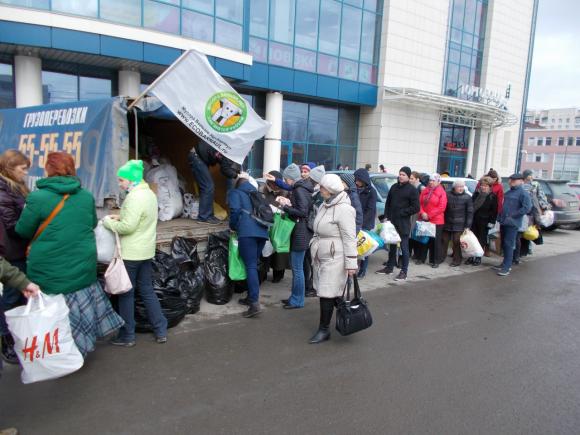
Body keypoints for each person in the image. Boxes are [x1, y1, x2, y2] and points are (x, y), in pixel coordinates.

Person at [16, 152, 124, 356]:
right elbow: (92, 223)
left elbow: (23, 230)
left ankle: (56, 350)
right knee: (78, 312)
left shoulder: (37, 197)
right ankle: (80, 345)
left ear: (48, 169)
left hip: (50, 268)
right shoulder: (85, 196)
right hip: (82, 264)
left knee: (54, 315)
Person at [103, 159, 167, 346]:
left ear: (131, 180)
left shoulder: (133, 197)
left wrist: (109, 222)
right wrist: (121, 215)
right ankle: (160, 329)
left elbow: (127, 227)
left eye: (122, 180)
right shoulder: (148, 194)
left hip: (131, 254)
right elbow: (141, 217)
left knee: (126, 293)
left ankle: (127, 335)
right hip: (146, 251)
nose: (120, 184)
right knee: (147, 290)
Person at [308, 174, 357, 344]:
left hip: (336, 256)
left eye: (322, 188)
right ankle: (347, 316)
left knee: (326, 293)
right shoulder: (324, 204)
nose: (319, 190)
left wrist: (351, 264)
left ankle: (324, 330)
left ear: (330, 190)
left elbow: (350, 237)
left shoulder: (345, 209)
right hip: (322, 253)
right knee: (331, 292)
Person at [0, 150, 30, 364]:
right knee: (11, 297)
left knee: (20, 296)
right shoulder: (3, 191)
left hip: (20, 249)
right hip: (11, 251)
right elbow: (11, 226)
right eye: (23, 169)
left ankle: (18, 338)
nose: (26, 173)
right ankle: (7, 340)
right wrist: (31, 226)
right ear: (10, 168)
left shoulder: (15, 187)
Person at [227, 173, 269, 318]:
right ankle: (251, 297)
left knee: (250, 265)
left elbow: (235, 211)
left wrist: (233, 226)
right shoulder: (258, 193)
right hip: (262, 232)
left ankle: (254, 304)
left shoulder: (236, 193)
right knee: (253, 265)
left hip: (247, 232)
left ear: (237, 183)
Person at [278, 163, 314, 309]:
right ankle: (294, 297)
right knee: (297, 268)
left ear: (291, 178)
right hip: (302, 232)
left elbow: (303, 212)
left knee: (297, 269)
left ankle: (297, 300)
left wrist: (285, 207)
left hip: (301, 233)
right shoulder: (302, 187)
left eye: (286, 179)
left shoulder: (299, 190)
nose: (285, 182)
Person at [376, 167, 419, 281]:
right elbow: (388, 203)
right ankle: (389, 268)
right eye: (400, 174)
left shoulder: (412, 190)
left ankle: (404, 271)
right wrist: (386, 216)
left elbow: (416, 208)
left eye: (403, 174)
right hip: (392, 223)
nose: (400, 176)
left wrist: (402, 212)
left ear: (408, 177)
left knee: (404, 248)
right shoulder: (394, 187)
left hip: (403, 223)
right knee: (392, 246)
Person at [0, 257, 40, 376]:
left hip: (15, 255)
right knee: (10, 301)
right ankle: (8, 339)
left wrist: (23, 283)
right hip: (13, 253)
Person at [187, 140, 241, 224]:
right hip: (197, 157)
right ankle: (204, 217)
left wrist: (236, 173)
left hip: (199, 157)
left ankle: (208, 216)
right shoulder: (231, 149)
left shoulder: (231, 146)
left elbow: (226, 165)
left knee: (207, 187)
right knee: (208, 186)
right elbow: (225, 169)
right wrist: (237, 176)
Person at [493, 173, 532, 277]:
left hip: (513, 223)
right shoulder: (509, 192)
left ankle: (507, 267)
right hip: (504, 221)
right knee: (504, 244)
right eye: (510, 180)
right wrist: (500, 217)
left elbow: (527, 208)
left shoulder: (523, 193)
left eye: (514, 180)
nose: (511, 182)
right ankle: (504, 263)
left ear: (521, 181)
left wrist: (513, 215)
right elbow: (503, 206)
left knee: (509, 244)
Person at [260, 170, 289, 283]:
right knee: (265, 249)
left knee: (279, 251)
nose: (275, 186)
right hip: (265, 223)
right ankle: (263, 272)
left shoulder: (285, 192)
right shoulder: (262, 190)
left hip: (280, 224)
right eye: (273, 184)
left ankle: (278, 273)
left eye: (277, 184)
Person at [304, 165, 326, 298]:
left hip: (316, 232)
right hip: (312, 231)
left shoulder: (320, 195)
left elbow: (317, 214)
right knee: (310, 260)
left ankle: (314, 287)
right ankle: (311, 285)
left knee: (314, 261)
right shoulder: (315, 193)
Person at [518, 169, 550, 258]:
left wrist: (545, 207)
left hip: (532, 211)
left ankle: (526, 249)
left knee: (529, 230)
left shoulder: (535, 185)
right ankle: (523, 250)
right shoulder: (520, 184)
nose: (530, 177)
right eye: (529, 175)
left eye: (531, 175)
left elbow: (541, 196)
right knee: (522, 231)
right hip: (522, 211)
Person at [441, 180, 473, 267]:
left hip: (460, 224)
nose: (461, 188)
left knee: (456, 241)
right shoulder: (447, 194)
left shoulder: (467, 197)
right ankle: (441, 257)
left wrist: (468, 226)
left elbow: (470, 212)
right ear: (454, 187)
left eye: (462, 187)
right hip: (447, 222)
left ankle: (457, 260)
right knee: (444, 240)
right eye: (459, 186)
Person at [418, 173, 447, 268]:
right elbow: (419, 203)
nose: (431, 182)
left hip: (436, 221)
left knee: (435, 242)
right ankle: (421, 258)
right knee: (424, 239)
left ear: (438, 181)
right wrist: (422, 213)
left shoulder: (442, 192)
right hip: (424, 218)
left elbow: (441, 207)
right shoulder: (425, 190)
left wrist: (429, 215)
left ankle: (435, 260)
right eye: (430, 180)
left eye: (433, 180)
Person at [468, 176, 498, 266]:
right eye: (482, 185)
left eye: (485, 186)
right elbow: (471, 206)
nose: (483, 187)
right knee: (472, 239)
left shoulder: (492, 196)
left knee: (481, 240)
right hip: (474, 220)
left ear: (489, 187)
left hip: (484, 222)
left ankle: (478, 257)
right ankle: (471, 256)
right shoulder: (476, 194)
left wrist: (492, 222)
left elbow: (494, 211)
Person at [354, 168, 377, 278]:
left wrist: (361, 222)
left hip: (365, 223)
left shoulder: (371, 191)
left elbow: (370, 209)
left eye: (358, 180)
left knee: (364, 246)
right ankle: (355, 267)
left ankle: (363, 269)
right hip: (355, 222)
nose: (356, 182)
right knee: (355, 246)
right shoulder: (354, 189)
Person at [409, 171, 426, 262]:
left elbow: (426, 201)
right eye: (410, 178)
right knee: (410, 233)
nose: (410, 180)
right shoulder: (410, 187)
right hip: (411, 213)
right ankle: (410, 253)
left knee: (415, 233)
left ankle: (417, 254)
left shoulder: (421, 187)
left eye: (412, 178)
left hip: (417, 214)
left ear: (417, 179)